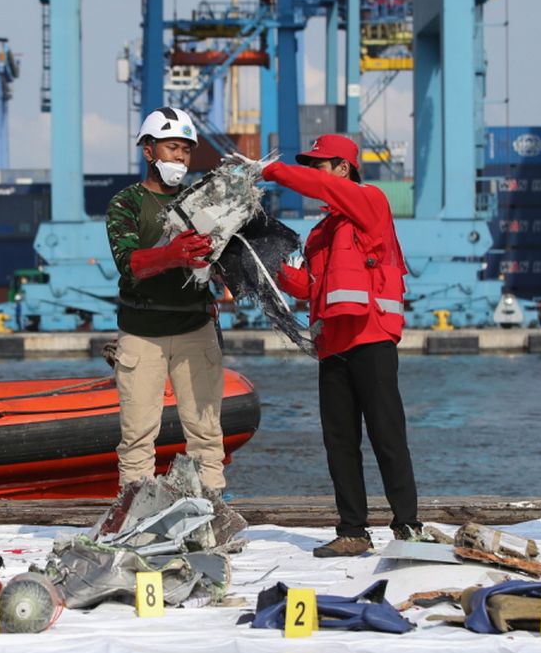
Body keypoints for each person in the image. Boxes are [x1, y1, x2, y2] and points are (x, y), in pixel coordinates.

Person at [265, 134, 421, 556]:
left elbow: (326, 189)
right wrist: (267, 266)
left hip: (371, 339)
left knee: (388, 436)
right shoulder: (322, 232)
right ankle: (353, 531)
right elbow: (311, 286)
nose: (315, 173)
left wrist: (271, 171)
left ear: (343, 167)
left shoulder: (370, 202)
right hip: (333, 346)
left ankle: (408, 527)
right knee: (340, 442)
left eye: (319, 164)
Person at [104, 106, 244, 541]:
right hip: (140, 334)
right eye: (172, 147)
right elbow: (128, 264)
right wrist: (174, 253)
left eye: (186, 150)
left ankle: (211, 516)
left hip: (195, 329)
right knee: (137, 435)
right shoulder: (127, 203)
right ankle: (137, 517)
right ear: (149, 151)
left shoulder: (204, 201)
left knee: (205, 431)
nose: (180, 158)